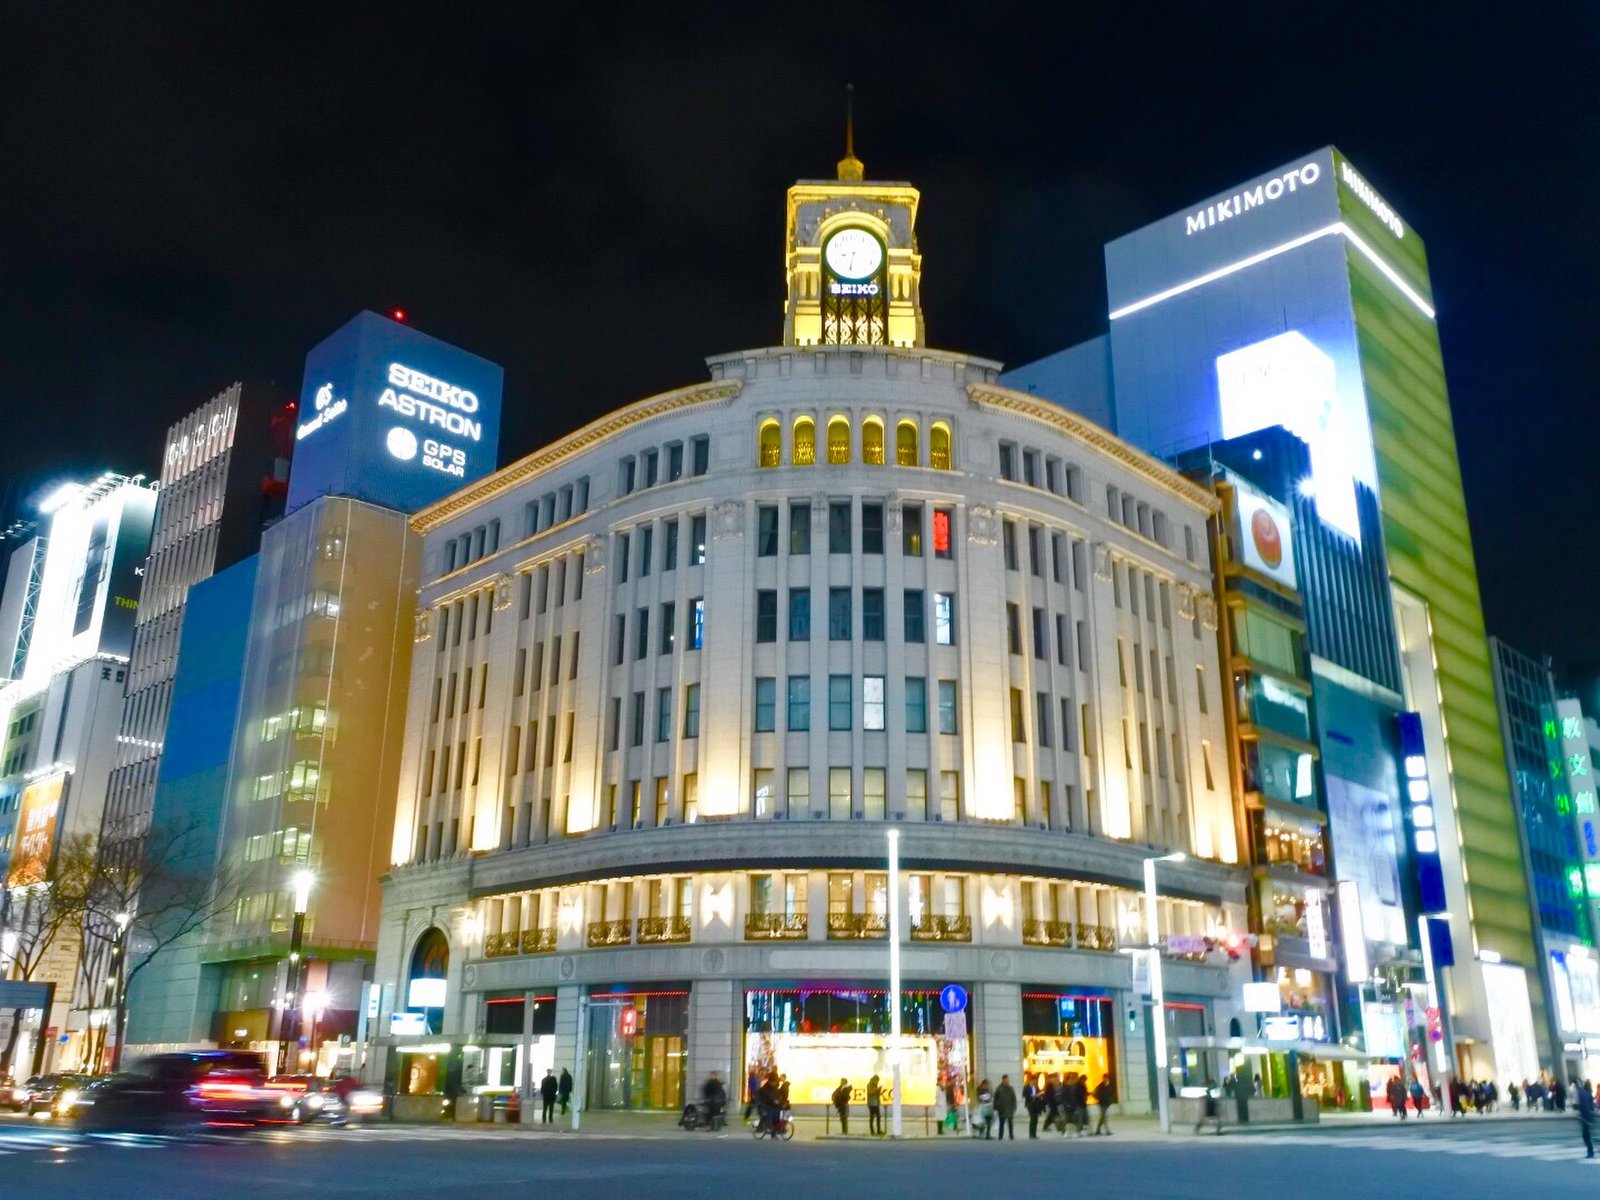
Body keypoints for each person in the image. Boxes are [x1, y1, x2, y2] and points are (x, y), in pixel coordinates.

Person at [993, 1075, 1017, 1141]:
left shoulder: (1010, 1088)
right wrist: (995, 1108)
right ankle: (1000, 1136)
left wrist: (1014, 1107)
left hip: (1009, 1108)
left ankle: (1011, 1135)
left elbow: (1013, 1098)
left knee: (1010, 1123)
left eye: (1008, 1080)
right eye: (1006, 1080)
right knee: (1001, 1124)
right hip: (1002, 1109)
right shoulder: (999, 1088)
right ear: (1003, 1080)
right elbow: (995, 1098)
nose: (1007, 1081)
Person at [1577, 1077, 1596, 1159]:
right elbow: (1591, 1105)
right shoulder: (1588, 1093)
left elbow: (1584, 1106)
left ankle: (1590, 1152)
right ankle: (1590, 1151)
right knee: (1589, 1135)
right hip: (1589, 1117)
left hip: (1585, 1118)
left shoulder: (1582, 1093)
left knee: (1586, 1136)